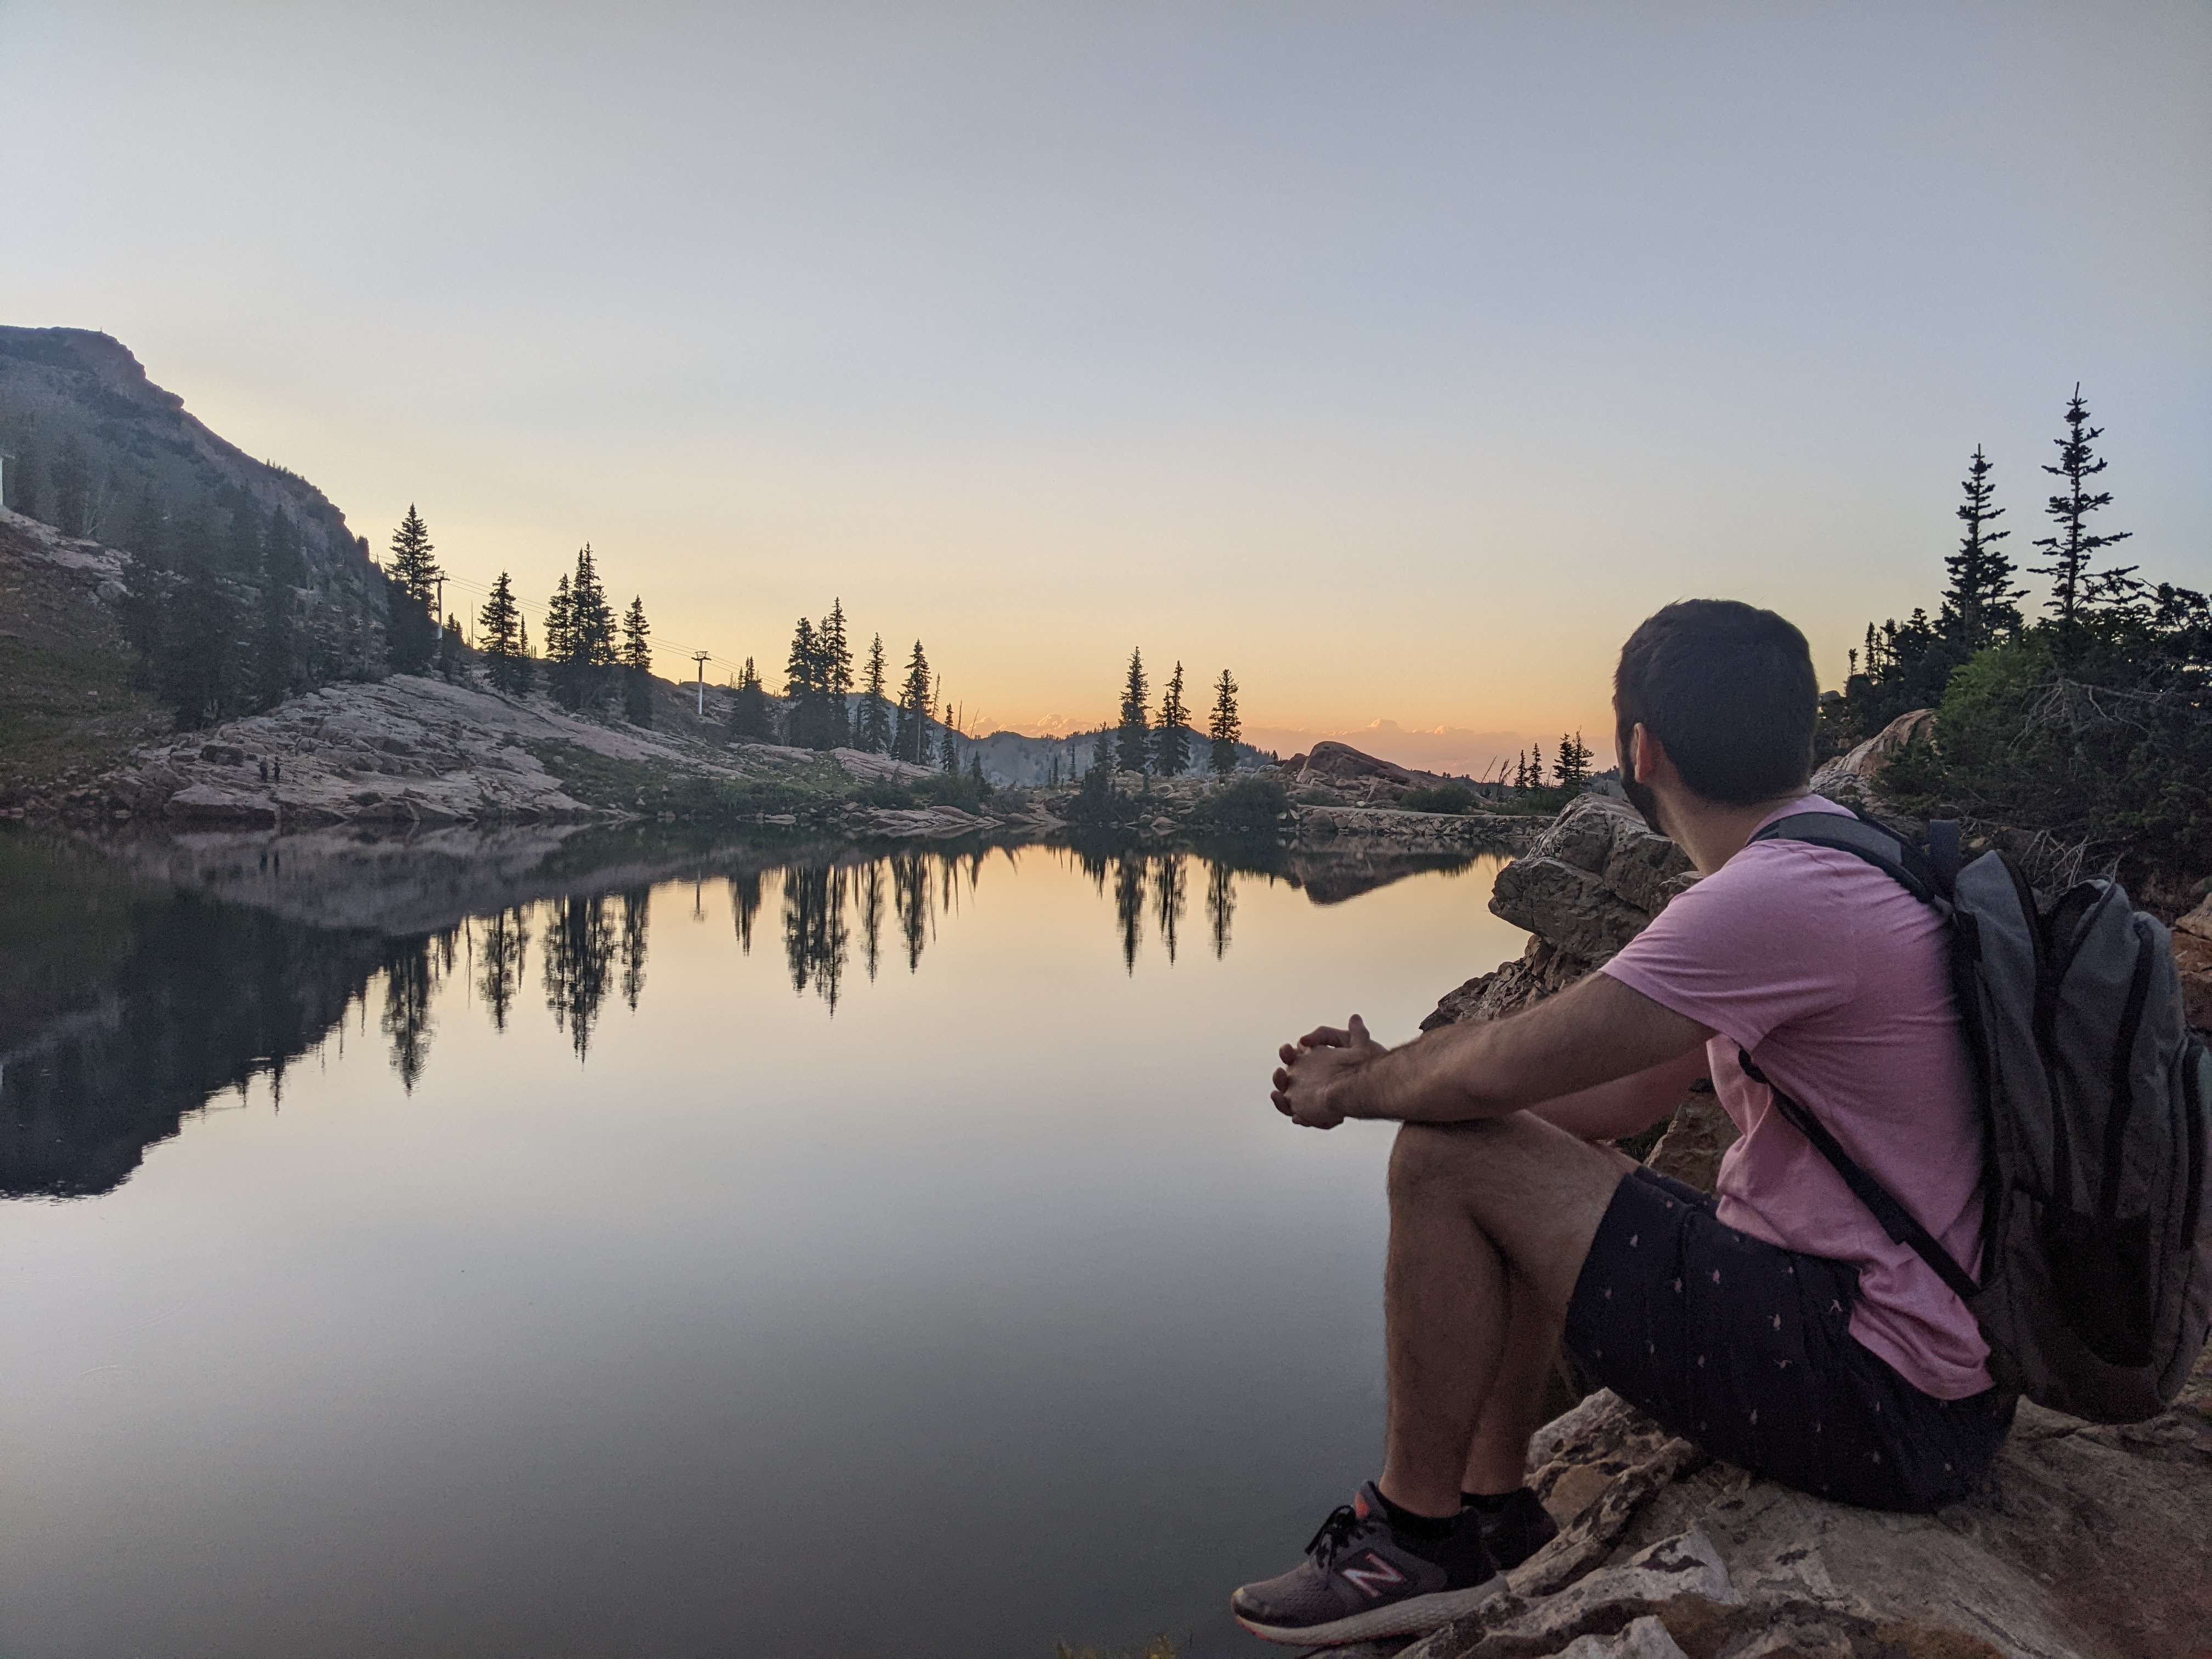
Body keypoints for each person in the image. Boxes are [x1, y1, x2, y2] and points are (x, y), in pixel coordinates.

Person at [1231, 599, 2008, 1648]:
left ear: (1643, 750)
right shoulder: (1855, 856)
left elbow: (1510, 1060)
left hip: (1868, 1392)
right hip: (1929, 1379)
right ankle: (1497, 1510)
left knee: (1441, 1157)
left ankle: (1414, 1532)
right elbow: (1621, 1098)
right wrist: (1450, 1105)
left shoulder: (1774, 895)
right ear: (1801, 738)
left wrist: (1360, 1087)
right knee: (1492, 1151)